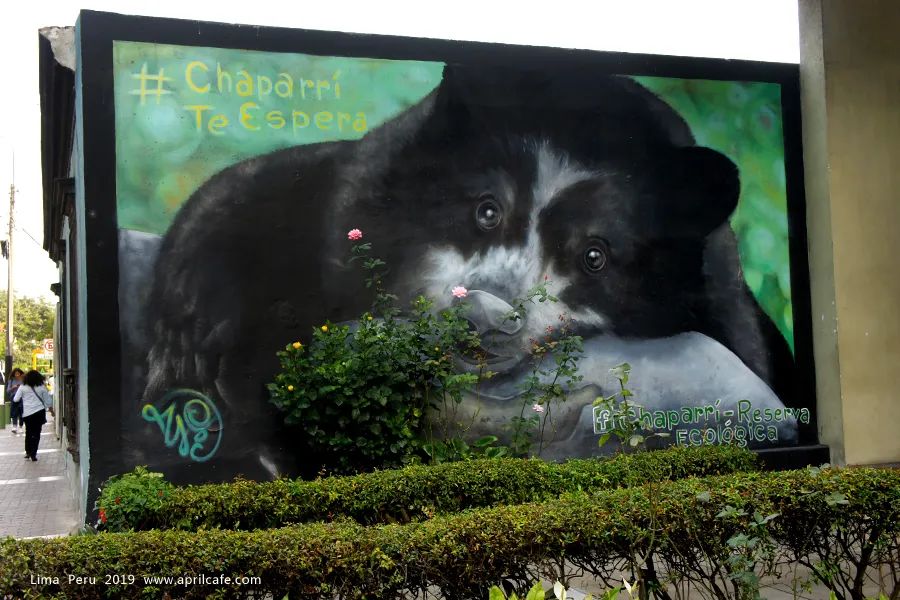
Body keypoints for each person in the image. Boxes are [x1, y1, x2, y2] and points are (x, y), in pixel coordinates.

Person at [13, 370, 53, 461]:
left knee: (29, 432)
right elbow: (48, 401)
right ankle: (33, 454)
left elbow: (15, 399)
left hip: (27, 414)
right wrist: (51, 410)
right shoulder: (42, 387)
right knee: (37, 433)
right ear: (39, 377)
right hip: (39, 412)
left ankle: (28, 452)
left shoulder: (22, 387)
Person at [6, 368, 25, 434]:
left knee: (21, 412)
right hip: (14, 397)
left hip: (22, 398)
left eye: (18, 374)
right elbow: (8, 391)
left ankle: (21, 427)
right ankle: (14, 426)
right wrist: (13, 388)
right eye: (15, 374)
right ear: (13, 374)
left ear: (20, 374)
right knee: (14, 412)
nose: (17, 375)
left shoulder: (23, 380)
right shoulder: (11, 380)